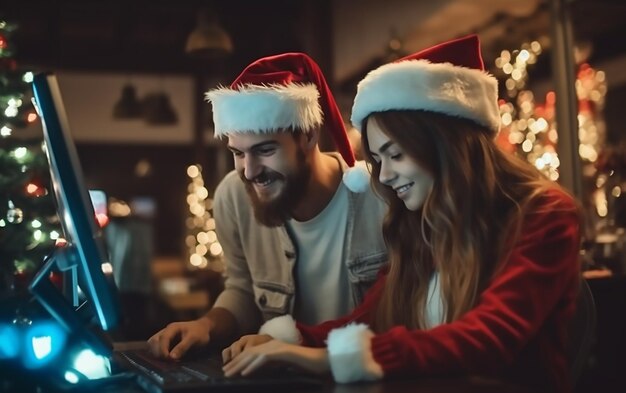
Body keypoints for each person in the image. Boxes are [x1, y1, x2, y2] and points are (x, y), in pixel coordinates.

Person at [219, 35, 582, 393]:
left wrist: (324, 359)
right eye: (377, 160)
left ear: (445, 145)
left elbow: (487, 338)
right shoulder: (421, 222)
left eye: (396, 155)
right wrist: (292, 339)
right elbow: (370, 318)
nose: (386, 176)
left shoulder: (546, 214)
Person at [148, 53, 388, 360]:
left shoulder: (380, 194)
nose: (249, 171)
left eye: (264, 150)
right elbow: (243, 289)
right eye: (238, 153)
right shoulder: (233, 196)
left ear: (309, 135)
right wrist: (206, 325)